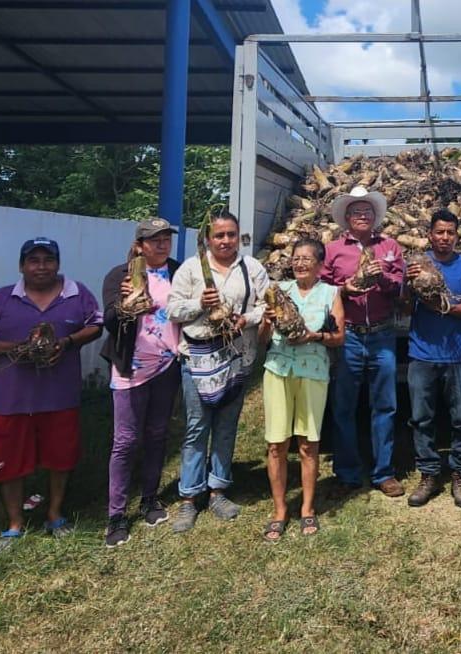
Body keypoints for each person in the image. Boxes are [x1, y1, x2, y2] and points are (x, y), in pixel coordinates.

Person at [0, 237, 102, 553]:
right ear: (22, 266)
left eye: (48, 260)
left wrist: (67, 342)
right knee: (9, 462)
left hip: (59, 397)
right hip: (10, 399)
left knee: (60, 458)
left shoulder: (77, 293)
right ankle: (14, 524)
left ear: (58, 263)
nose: (41, 266)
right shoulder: (3, 299)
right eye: (34, 260)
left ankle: (54, 514)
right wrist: (14, 348)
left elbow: (96, 325)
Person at [166, 208, 269, 533]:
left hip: (237, 357)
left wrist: (247, 319)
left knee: (226, 425)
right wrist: (200, 303)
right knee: (197, 427)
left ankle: (218, 490)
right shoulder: (191, 268)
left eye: (231, 235)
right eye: (219, 235)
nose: (225, 241)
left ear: (239, 237)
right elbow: (172, 309)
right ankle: (189, 496)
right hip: (199, 359)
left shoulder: (251, 268)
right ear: (207, 239)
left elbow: (266, 304)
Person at [100, 218, 182, 548]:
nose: (162, 244)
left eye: (166, 239)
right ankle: (116, 514)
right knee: (125, 441)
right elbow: (109, 321)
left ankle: (149, 498)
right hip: (130, 367)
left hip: (167, 366)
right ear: (139, 245)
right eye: (154, 239)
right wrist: (124, 305)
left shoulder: (177, 272)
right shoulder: (120, 275)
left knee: (157, 433)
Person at [320, 186, 405, 497]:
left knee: (385, 405)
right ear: (346, 218)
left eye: (367, 211)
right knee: (344, 406)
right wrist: (345, 288)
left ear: (375, 216)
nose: (362, 215)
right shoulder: (332, 250)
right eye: (356, 211)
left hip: (382, 334)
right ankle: (347, 472)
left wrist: (382, 278)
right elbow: (321, 291)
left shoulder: (389, 246)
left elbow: (400, 287)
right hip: (350, 336)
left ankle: (384, 473)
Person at [259, 239, 345, 540]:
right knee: (276, 444)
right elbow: (262, 340)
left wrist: (314, 336)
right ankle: (280, 509)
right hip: (278, 370)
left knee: (308, 444)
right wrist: (267, 322)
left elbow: (339, 337)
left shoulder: (330, 293)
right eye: (296, 258)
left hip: (312, 371)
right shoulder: (279, 291)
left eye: (307, 259)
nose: (300, 263)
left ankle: (307, 508)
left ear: (320, 264)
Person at [403, 209, 461, 508]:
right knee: (421, 418)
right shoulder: (417, 264)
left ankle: (460, 474)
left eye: (450, 232)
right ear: (430, 235)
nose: (445, 237)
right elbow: (404, 308)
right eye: (440, 232)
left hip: (458, 356)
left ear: (457, 235)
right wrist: (408, 286)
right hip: (422, 354)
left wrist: (446, 307)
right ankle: (428, 473)